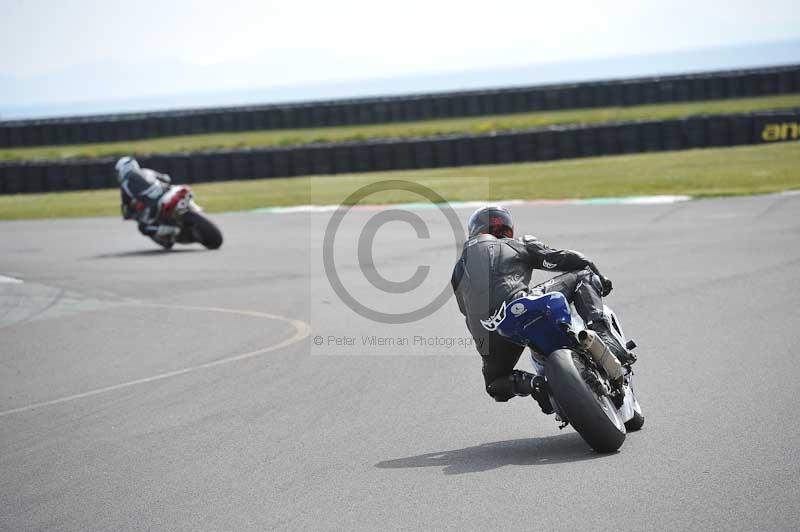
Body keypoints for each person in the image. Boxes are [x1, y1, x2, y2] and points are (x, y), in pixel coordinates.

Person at [450, 205, 635, 411]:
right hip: (521, 306)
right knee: (584, 274)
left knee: (495, 384)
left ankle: (534, 385)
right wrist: (599, 274)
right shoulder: (518, 244)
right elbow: (566, 259)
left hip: (492, 335)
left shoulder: (457, 272)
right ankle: (603, 334)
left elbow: (465, 311)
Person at [115, 156, 179, 248]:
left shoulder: (125, 184)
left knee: (143, 227)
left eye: (118, 171)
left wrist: (128, 215)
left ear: (124, 168)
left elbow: (126, 204)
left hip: (153, 204)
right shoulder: (146, 171)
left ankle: (172, 230)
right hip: (168, 191)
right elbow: (166, 178)